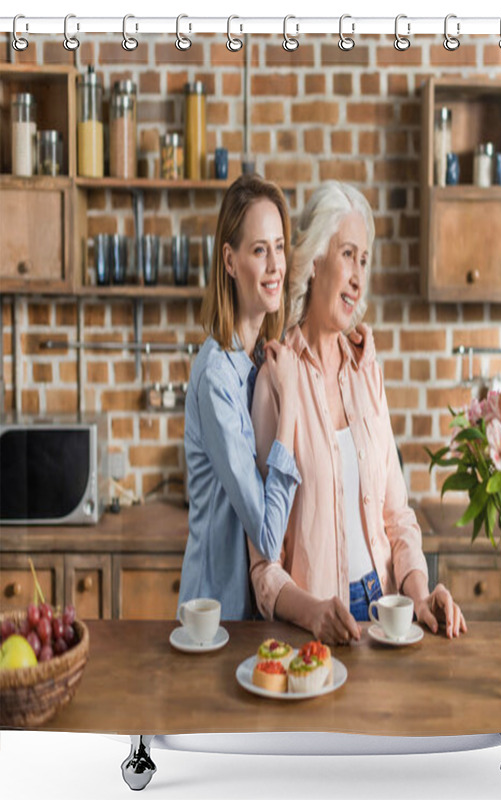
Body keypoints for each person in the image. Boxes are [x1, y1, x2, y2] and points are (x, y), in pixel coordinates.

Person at [248, 181, 467, 644]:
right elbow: (264, 563)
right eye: (348, 255)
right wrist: (312, 614)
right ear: (314, 262)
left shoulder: (367, 370)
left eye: (364, 261)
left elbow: (397, 514)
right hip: (316, 625)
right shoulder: (276, 377)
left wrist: (420, 593)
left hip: (387, 609)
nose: (357, 277)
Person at [178, 175, 373, 620]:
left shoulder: (258, 362)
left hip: (252, 617)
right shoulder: (217, 379)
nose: (274, 266)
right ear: (229, 260)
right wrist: (288, 411)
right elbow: (268, 538)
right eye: (259, 250)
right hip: (215, 615)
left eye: (280, 247)